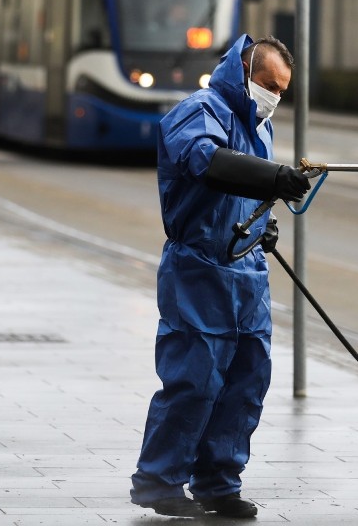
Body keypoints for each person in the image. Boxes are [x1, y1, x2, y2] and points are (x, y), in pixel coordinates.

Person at [129, 34, 309, 518]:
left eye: (282, 89)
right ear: (244, 72)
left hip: (247, 273)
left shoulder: (260, 127)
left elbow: (243, 195)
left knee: (246, 380)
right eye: (269, 84)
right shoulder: (201, 109)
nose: (274, 96)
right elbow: (205, 161)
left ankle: (218, 482)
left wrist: (262, 225)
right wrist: (273, 177)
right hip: (199, 270)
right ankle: (159, 480)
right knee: (195, 378)